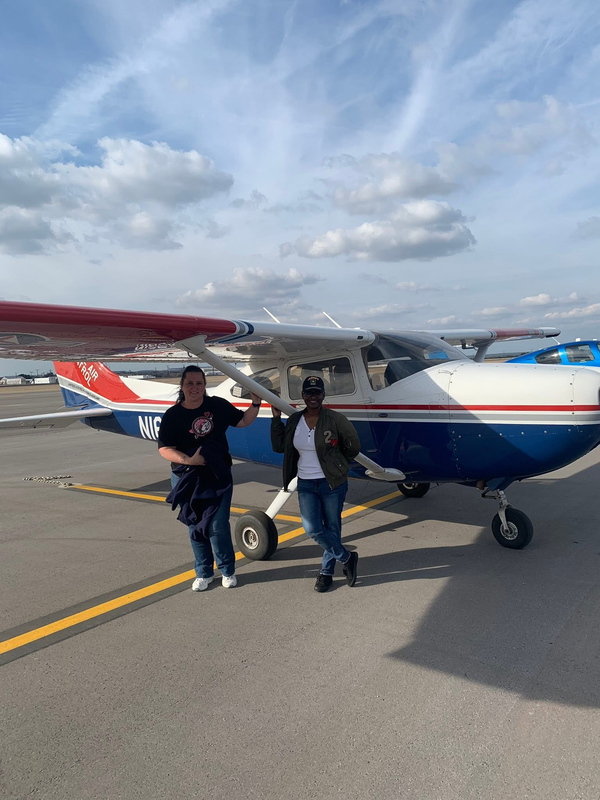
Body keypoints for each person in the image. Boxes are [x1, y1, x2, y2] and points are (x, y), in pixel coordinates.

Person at [158, 365, 262, 592]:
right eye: (190, 383)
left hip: (217, 474)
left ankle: (227, 570)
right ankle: (204, 572)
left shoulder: (217, 405)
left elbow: (243, 421)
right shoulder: (173, 415)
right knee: (194, 525)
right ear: (182, 386)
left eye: (199, 383)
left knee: (217, 524)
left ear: (205, 386)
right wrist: (188, 460)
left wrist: (255, 404)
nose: (194, 388)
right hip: (186, 476)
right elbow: (165, 448)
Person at [271, 375, 361, 592]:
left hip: (332, 483)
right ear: (303, 396)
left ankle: (326, 573)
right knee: (312, 528)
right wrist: (276, 419)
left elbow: (353, 446)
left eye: (317, 393)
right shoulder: (294, 420)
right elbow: (279, 446)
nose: (313, 397)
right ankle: (347, 558)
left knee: (332, 527)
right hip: (306, 484)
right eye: (309, 393)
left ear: (323, 395)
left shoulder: (335, 419)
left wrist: (338, 465)